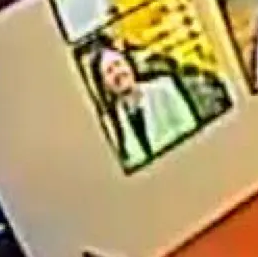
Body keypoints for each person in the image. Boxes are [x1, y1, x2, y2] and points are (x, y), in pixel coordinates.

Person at [85, 37, 201, 169]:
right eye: (109, 71)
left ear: (129, 65)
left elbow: (191, 129)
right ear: (104, 84)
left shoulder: (163, 88)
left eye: (118, 64)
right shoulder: (114, 121)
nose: (117, 73)